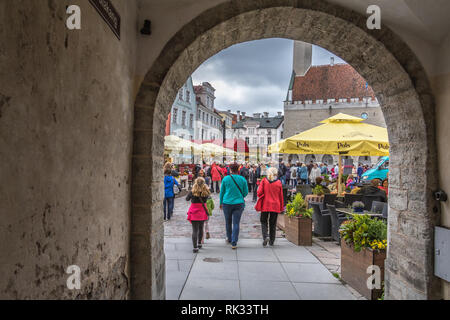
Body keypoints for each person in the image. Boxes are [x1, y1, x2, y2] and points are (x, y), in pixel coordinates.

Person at [220, 163, 249, 249]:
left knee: (228, 221)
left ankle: (229, 238)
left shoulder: (225, 179)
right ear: (238, 169)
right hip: (239, 203)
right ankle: (234, 242)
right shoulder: (242, 179)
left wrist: (221, 202)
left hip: (227, 203)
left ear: (230, 170)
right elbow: (246, 192)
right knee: (236, 223)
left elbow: (222, 192)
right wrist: (240, 196)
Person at [255, 167, 284, 246]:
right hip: (275, 205)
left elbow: (259, 192)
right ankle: (272, 241)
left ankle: (265, 236)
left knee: (263, 221)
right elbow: (281, 196)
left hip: (265, 204)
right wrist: (281, 207)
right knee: (273, 223)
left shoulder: (264, 181)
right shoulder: (278, 182)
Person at [186, 177, 211, 253]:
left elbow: (187, 199)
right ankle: (199, 243)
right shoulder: (206, 191)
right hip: (202, 211)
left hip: (194, 211)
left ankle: (195, 247)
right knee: (201, 228)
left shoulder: (192, 192)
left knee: (195, 230)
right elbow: (208, 198)